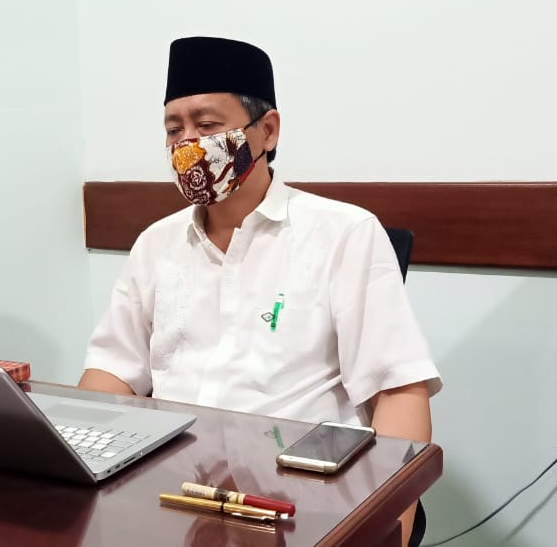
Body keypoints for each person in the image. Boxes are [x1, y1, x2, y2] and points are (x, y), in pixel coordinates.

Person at [79, 36, 441, 546]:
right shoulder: (156, 243)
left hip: (303, 503)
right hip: (171, 497)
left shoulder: (344, 234)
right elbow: (112, 373)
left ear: (267, 130)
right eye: (174, 129)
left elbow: (399, 390)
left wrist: (390, 527)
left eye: (207, 125)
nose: (188, 146)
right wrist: (82, 470)